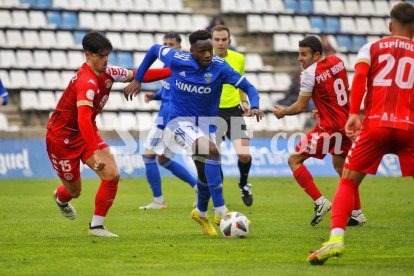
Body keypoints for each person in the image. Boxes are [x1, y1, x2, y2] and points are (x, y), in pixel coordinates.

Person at [123, 30, 264, 236]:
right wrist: (138, 79)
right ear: (192, 51)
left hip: (208, 125)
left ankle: (200, 213)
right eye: (202, 51)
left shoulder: (220, 67)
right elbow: (154, 49)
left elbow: (248, 87)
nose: (208, 55)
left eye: (210, 50)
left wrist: (256, 104)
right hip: (179, 122)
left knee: (204, 175)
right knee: (213, 151)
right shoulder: (177, 58)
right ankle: (221, 211)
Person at [307, 2, 414, 265]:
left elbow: (361, 77)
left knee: (348, 180)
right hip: (409, 127)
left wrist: (354, 113)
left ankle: (335, 239)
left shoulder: (372, 48)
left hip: (375, 125)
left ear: (390, 26)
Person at [46, 31, 169, 237]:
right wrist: (94, 151)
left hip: (86, 133)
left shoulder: (109, 72)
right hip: (61, 139)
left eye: (107, 55)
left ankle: (96, 226)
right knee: (74, 191)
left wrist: (171, 71)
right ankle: (60, 198)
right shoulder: (86, 82)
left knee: (112, 174)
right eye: (100, 56)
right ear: (88, 55)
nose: (105, 60)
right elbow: (82, 119)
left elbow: (137, 74)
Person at [274, 35, 365, 227]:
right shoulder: (337, 61)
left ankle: (320, 201)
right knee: (342, 168)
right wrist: (322, 107)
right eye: (299, 54)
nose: (300, 58)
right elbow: (339, 91)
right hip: (345, 123)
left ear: (316, 55)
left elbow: (300, 106)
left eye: (303, 54)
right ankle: (356, 213)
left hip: (329, 127)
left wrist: (284, 111)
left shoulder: (309, 74)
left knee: (294, 160)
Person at [140, 32, 198, 210]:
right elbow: (168, 93)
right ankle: (198, 188)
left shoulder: (182, 69)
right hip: (170, 117)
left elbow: (179, 97)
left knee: (148, 156)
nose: (167, 47)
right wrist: (155, 95)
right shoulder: (167, 65)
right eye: (164, 44)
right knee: (163, 160)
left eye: (171, 44)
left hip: (167, 119)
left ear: (180, 47)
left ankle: (158, 201)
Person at [211, 25, 253, 207]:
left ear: (229, 40)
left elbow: (241, 83)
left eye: (223, 39)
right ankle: (218, 195)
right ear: (211, 40)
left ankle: (243, 184)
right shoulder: (205, 59)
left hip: (234, 112)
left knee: (244, 155)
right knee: (214, 157)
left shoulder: (238, 58)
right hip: (212, 113)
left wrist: (244, 101)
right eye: (217, 39)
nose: (220, 43)